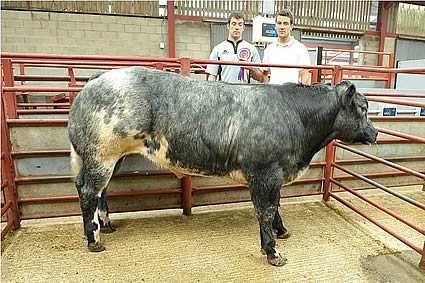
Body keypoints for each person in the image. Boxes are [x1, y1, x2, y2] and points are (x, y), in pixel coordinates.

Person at [250, 9, 311, 84]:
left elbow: (304, 77)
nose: (282, 27)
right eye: (279, 23)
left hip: (292, 94)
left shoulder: (301, 49)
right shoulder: (269, 49)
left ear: (291, 26)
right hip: (273, 94)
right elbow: (264, 77)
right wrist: (252, 69)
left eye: (285, 23)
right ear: (275, 26)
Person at [206, 12, 261, 84]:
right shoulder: (218, 49)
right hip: (225, 92)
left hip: (245, 92)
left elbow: (259, 77)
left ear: (243, 27)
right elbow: (212, 76)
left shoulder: (252, 49)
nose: (237, 27)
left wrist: (251, 68)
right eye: (234, 24)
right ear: (228, 26)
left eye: (240, 24)